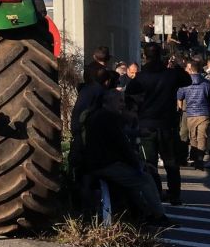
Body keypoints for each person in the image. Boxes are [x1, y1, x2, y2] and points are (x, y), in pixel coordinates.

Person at [73, 87, 173, 227]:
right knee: (144, 179)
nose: (123, 105)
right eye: (119, 101)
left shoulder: (97, 116)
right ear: (108, 102)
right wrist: (137, 164)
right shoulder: (109, 118)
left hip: (97, 163)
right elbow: (122, 145)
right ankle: (159, 215)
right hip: (105, 165)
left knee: (134, 180)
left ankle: (141, 213)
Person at [124, 42, 188, 205]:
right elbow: (187, 80)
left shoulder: (140, 77)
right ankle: (175, 194)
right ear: (161, 55)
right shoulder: (170, 75)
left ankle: (156, 192)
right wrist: (176, 67)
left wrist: (137, 108)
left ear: (145, 56)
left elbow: (129, 96)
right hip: (167, 123)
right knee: (171, 162)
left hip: (147, 123)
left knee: (150, 163)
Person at [176, 60, 210, 170]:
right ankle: (199, 158)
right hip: (204, 113)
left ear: (190, 69)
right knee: (202, 136)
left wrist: (181, 107)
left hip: (190, 113)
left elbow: (179, 96)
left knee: (192, 136)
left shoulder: (185, 83)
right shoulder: (207, 83)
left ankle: (194, 158)